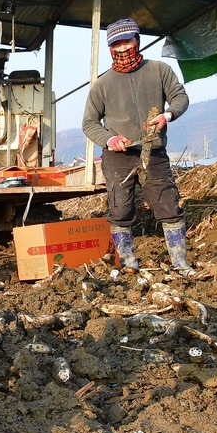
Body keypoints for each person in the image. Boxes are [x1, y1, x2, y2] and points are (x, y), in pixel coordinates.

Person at [82, 18, 195, 276]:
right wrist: (109, 140)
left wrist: (168, 115)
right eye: (117, 45)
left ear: (137, 41)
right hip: (118, 157)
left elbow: (180, 97)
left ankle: (180, 264)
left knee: (169, 206)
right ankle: (129, 264)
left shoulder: (159, 70)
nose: (123, 49)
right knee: (120, 210)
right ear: (111, 49)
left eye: (127, 42)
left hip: (153, 153)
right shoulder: (102, 84)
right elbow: (89, 123)